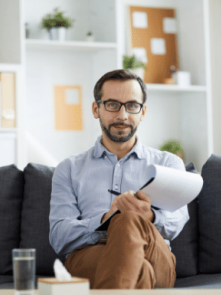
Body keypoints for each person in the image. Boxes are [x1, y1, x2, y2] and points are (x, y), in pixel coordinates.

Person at [49, 69, 189, 289]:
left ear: (142, 112)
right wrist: (107, 218)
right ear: (96, 109)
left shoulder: (169, 164)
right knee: (139, 270)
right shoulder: (68, 168)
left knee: (129, 219)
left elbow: (178, 221)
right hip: (90, 255)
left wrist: (148, 217)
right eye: (112, 104)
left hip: (154, 254)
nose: (123, 115)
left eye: (132, 106)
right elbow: (59, 236)